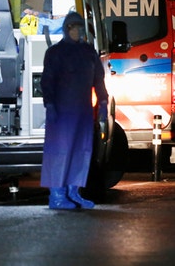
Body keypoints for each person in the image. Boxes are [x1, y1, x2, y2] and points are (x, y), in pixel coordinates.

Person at [40, 11, 108, 209]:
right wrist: (50, 103)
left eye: (79, 27)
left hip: (83, 111)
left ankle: (73, 191)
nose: (77, 31)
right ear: (66, 29)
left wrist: (103, 101)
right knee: (59, 151)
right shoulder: (55, 53)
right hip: (61, 112)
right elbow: (48, 81)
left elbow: (98, 79)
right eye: (73, 27)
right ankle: (57, 194)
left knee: (81, 151)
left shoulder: (88, 52)